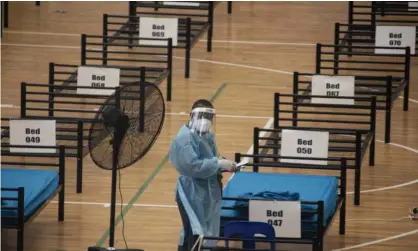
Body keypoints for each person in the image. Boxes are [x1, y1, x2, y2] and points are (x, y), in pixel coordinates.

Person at [169, 99, 240, 251]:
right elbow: (192, 166)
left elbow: (208, 160)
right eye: (201, 115)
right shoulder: (184, 138)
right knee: (194, 233)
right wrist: (218, 164)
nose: (205, 120)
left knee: (202, 233)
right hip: (191, 192)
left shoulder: (207, 135)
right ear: (191, 115)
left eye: (208, 117)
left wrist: (224, 166)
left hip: (205, 191)